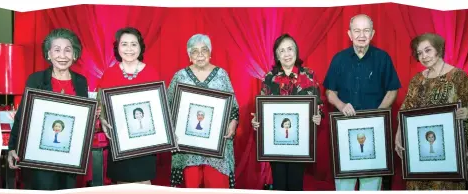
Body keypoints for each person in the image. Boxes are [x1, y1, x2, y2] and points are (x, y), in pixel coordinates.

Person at [323, 14, 401, 191]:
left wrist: (377, 114)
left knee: (371, 182)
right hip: (344, 130)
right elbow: (329, 92)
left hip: (375, 131)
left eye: (366, 30)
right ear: (349, 34)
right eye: (357, 30)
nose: (361, 35)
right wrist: (341, 105)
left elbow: (392, 89)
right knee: (344, 183)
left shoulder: (383, 58)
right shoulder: (339, 59)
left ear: (372, 33)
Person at [395, 32, 468, 190]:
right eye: (419, 53)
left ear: (439, 49)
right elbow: (405, 111)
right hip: (419, 153)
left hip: (450, 153)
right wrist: (399, 135)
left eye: (428, 50)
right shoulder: (416, 80)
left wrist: (466, 112)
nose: (424, 56)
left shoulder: (458, 76)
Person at [7, 28, 88, 190]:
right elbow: (22, 115)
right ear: (49, 54)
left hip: (69, 158)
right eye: (57, 50)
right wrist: (12, 148)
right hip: (40, 157)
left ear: (74, 54)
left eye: (68, 50)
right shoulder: (36, 79)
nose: (62, 56)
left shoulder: (81, 82)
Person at [251, 33, 323, 191]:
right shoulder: (269, 78)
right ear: (277, 55)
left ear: (296, 51)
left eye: (290, 49)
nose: (287, 54)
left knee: (296, 183)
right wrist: (257, 120)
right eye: (282, 50)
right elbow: (262, 109)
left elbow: (319, 105)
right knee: (279, 183)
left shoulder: (309, 75)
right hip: (276, 143)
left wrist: (318, 116)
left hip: (301, 142)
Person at [168, 34, 239, 188]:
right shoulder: (179, 76)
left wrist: (233, 124)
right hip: (189, 147)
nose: (200, 55)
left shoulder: (221, 75)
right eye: (194, 51)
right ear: (188, 55)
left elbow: (233, 107)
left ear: (210, 52)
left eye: (204, 50)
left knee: (217, 186)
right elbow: (168, 107)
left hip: (217, 146)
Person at [97, 27, 160, 184]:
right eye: (124, 44)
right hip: (119, 141)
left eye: (134, 44)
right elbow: (101, 102)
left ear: (140, 47)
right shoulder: (109, 74)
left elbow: (159, 107)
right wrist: (103, 119)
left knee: (144, 184)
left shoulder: (151, 73)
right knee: (121, 184)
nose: (129, 49)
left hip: (146, 141)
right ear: (118, 47)